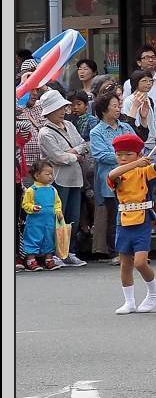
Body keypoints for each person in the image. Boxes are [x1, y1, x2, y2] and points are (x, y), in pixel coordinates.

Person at [30, 89, 89, 267]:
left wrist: (72, 152)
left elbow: (84, 144)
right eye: (58, 109)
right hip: (57, 178)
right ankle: (54, 253)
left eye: (63, 108)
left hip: (75, 177)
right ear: (49, 111)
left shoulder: (69, 125)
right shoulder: (45, 132)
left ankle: (69, 251)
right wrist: (75, 155)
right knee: (57, 217)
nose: (63, 111)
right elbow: (58, 157)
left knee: (73, 217)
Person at [107, 131, 156, 312]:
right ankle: (129, 302)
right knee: (125, 264)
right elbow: (112, 175)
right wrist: (135, 163)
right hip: (123, 221)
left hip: (142, 220)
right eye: (119, 154)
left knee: (140, 262)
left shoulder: (144, 171)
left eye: (128, 154)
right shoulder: (118, 174)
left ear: (139, 154)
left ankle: (153, 292)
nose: (123, 158)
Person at [88, 91, 133, 262]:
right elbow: (101, 155)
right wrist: (127, 157)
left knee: (131, 215)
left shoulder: (126, 128)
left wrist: (125, 157)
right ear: (103, 110)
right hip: (110, 181)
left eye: (118, 105)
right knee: (115, 216)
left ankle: (131, 250)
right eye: (114, 106)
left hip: (132, 179)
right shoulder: (96, 132)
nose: (118, 109)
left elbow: (138, 146)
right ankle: (116, 252)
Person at [20, 161, 64, 271]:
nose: (51, 176)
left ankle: (49, 260)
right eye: (47, 174)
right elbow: (25, 204)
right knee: (33, 239)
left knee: (49, 239)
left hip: (49, 221)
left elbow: (57, 203)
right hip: (35, 222)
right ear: (36, 175)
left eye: (51, 174)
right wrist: (32, 208)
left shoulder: (53, 190)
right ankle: (31, 260)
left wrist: (58, 212)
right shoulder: (31, 190)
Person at [122, 47, 156, 124]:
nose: (151, 60)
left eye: (153, 57)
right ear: (139, 62)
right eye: (147, 58)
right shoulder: (128, 85)